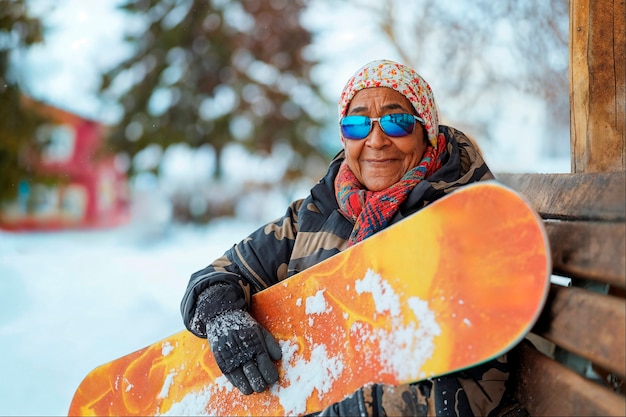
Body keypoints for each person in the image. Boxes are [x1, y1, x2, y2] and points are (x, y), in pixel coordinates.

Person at [181, 59, 528, 416]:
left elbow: (475, 381)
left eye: (397, 121)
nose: (376, 140)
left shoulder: (463, 219)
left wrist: (357, 409)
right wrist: (219, 311)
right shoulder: (318, 211)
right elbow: (219, 274)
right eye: (358, 124)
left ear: (426, 131)